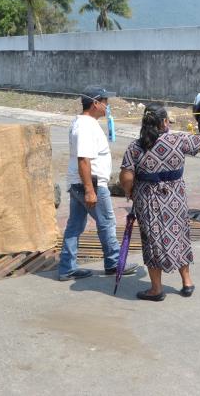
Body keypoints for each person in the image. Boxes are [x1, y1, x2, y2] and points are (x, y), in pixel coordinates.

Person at [119, 103, 200, 301]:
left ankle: (156, 289)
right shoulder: (178, 140)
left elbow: (126, 177)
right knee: (179, 236)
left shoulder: (135, 147)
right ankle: (187, 282)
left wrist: (130, 192)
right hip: (175, 199)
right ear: (164, 122)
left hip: (147, 200)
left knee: (152, 240)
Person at [58, 86, 138, 282]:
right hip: (90, 184)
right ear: (95, 103)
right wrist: (89, 190)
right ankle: (113, 263)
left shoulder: (84, 123)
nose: (107, 107)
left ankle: (67, 267)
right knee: (107, 223)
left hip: (80, 183)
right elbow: (83, 160)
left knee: (74, 226)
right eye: (105, 102)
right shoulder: (85, 126)